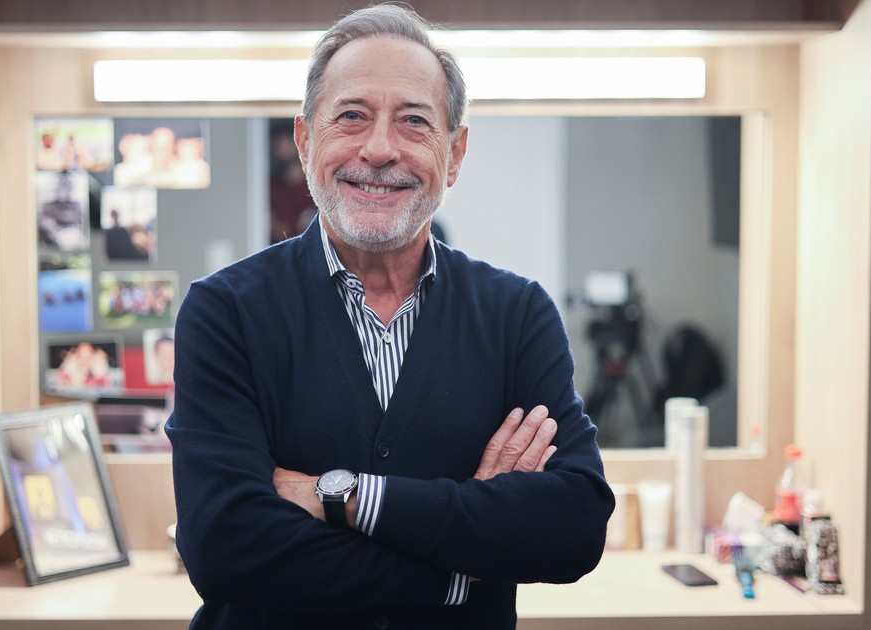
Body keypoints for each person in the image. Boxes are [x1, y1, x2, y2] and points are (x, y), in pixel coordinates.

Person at [165, 5, 614, 629]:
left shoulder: (515, 314)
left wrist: (344, 496)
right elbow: (223, 546)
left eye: (414, 121)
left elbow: (574, 525)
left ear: (454, 154)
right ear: (305, 141)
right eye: (351, 116)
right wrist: (458, 569)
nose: (379, 150)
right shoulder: (227, 312)